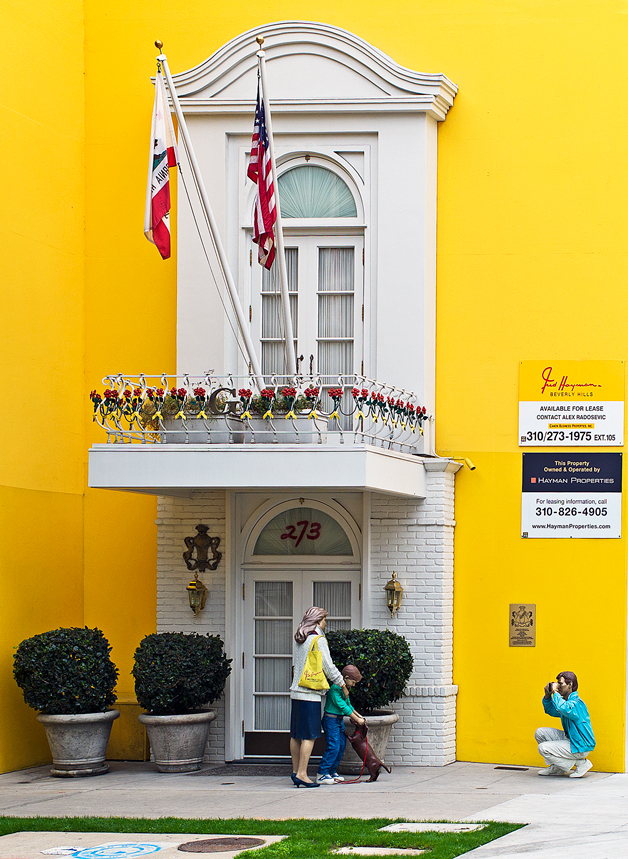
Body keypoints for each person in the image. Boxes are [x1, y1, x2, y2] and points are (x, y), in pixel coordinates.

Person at [289, 606, 346, 788]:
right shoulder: (318, 640)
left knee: (296, 735)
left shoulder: (300, 638)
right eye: (324, 620)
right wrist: (342, 684)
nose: (326, 624)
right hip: (310, 693)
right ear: (318, 621)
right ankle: (303, 774)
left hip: (296, 692)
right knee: (310, 736)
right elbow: (328, 667)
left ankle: (295, 771)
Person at [535, 671, 595, 778]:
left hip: (580, 745)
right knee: (540, 733)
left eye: (561, 684)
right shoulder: (566, 702)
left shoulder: (576, 703)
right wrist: (548, 696)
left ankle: (581, 764)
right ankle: (558, 767)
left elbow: (564, 708)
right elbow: (551, 710)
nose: (558, 687)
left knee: (543, 748)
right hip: (571, 739)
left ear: (570, 685)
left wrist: (555, 692)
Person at [317, 664, 366, 785]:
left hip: (338, 720)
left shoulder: (344, 690)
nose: (353, 685)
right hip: (331, 720)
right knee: (334, 745)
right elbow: (343, 707)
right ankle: (322, 772)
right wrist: (356, 719)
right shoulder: (335, 689)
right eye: (353, 682)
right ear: (346, 677)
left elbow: (349, 705)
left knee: (342, 745)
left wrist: (359, 716)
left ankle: (332, 772)